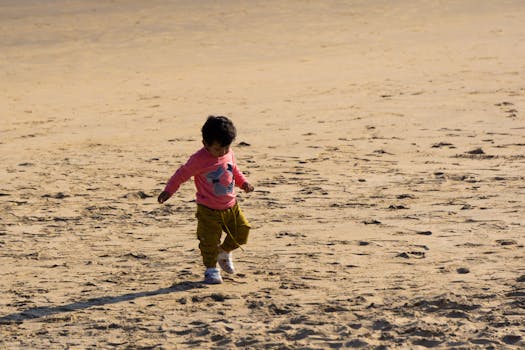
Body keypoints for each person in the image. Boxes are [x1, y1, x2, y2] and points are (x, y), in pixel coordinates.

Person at [158, 116, 254, 284]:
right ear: (205, 144)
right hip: (208, 210)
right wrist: (168, 191)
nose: (223, 152)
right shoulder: (199, 160)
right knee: (209, 241)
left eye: (226, 147)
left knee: (243, 230)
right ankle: (211, 269)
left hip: (232, 206)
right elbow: (181, 175)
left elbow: (234, 171)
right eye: (218, 149)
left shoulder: (228, 153)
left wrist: (243, 183)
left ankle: (223, 252)